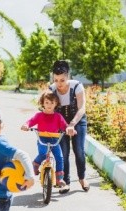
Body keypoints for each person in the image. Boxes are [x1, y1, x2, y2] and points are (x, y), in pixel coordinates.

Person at [49, 60, 89, 193]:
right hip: (61, 123)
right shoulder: (52, 89)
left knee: (79, 151)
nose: (59, 84)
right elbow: (47, 108)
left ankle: (82, 178)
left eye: (62, 80)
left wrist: (72, 124)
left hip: (77, 121)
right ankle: (65, 181)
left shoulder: (77, 86)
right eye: (56, 80)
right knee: (63, 153)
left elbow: (82, 108)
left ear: (68, 76)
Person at [21, 91, 67, 187]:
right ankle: (35, 164)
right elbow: (31, 121)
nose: (49, 105)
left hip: (55, 140)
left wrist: (69, 130)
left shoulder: (58, 117)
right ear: (42, 103)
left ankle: (59, 179)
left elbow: (64, 126)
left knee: (60, 157)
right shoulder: (39, 115)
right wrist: (26, 125)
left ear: (56, 104)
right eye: (47, 102)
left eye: (52, 103)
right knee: (43, 153)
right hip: (42, 138)